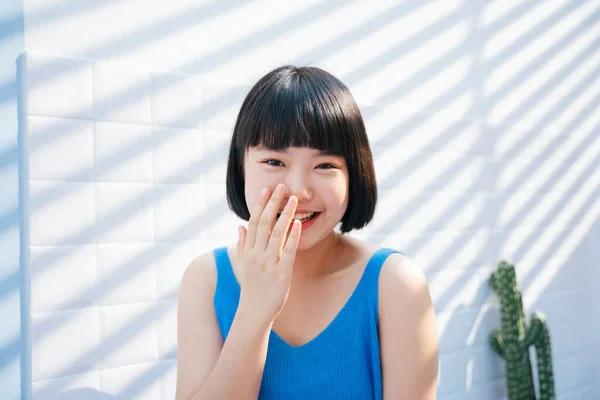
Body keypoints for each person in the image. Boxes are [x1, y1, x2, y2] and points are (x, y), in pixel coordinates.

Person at [175, 65, 439, 400]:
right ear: (240, 168)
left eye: (325, 165)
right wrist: (255, 309)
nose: (298, 190)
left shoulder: (397, 284)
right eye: (274, 162)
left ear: (354, 174)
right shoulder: (206, 279)